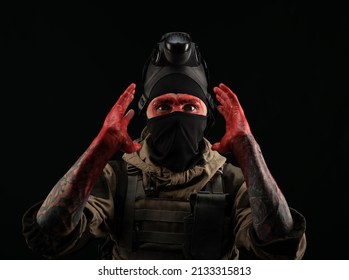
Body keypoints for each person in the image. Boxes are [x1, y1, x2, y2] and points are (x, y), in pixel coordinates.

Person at [22, 31, 306, 260]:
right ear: (146, 114)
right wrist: (101, 147)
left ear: (208, 115)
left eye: (190, 106)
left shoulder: (232, 181)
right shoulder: (116, 177)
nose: (177, 114)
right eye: (163, 106)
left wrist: (248, 148)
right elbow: (50, 234)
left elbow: (280, 246)